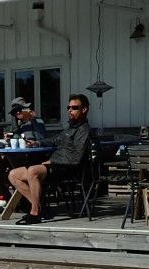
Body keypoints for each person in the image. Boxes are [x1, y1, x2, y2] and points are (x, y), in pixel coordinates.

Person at [7, 92, 91, 225]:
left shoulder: (83, 130)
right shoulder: (70, 127)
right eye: (68, 107)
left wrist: (53, 161)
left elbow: (77, 157)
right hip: (57, 164)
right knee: (13, 175)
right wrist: (37, 143)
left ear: (84, 109)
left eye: (74, 108)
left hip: (68, 168)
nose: (70, 110)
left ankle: (35, 213)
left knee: (33, 171)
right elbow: (55, 140)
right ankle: (40, 206)